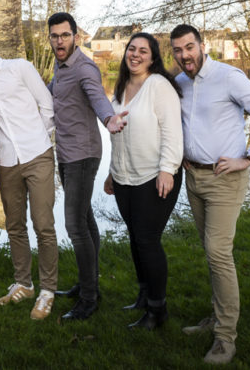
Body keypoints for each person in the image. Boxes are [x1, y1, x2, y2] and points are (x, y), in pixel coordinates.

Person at [170, 24, 250, 364]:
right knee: (210, 251)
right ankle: (217, 318)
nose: (184, 55)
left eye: (189, 47)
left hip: (225, 179)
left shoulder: (229, 77)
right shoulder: (179, 84)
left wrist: (247, 158)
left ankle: (225, 338)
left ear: (202, 45)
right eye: (177, 50)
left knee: (218, 252)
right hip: (196, 178)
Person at [0, 25, 57, 320]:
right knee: (14, 225)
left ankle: (47, 291)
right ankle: (24, 284)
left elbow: (46, 104)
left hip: (37, 154)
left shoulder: (20, 68)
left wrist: (40, 139)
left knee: (43, 224)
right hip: (6, 161)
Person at [46, 12, 124, 321]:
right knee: (86, 218)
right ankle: (87, 283)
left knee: (75, 227)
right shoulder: (59, 65)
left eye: (65, 35)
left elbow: (98, 98)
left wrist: (109, 118)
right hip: (65, 154)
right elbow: (53, 92)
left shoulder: (85, 68)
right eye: (55, 36)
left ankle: (89, 298)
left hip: (83, 155)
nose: (59, 41)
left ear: (75, 36)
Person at [102, 32, 183, 330]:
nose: (135, 55)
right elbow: (119, 136)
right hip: (125, 177)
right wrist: (112, 172)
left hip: (154, 176)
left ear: (153, 57)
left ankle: (157, 310)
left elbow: (173, 131)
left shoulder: (159, 87)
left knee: (148, 240)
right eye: (131, 49)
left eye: (143, 51)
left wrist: (167, 169)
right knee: (136, 237)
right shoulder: (121, 87)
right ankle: (144, 293)